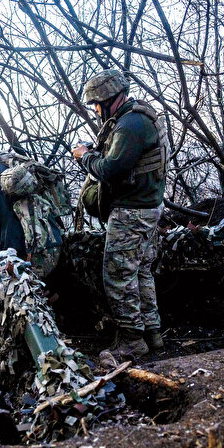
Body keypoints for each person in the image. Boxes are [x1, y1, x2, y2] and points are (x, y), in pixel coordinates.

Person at [72, 69, 170, 360]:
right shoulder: (138, 115)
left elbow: (110, 170)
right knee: (140, 272)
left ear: (110, 98)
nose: (96, 110)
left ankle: (131, 341)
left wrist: (85, 156)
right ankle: (152, 334)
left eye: (97, 104)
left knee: (118, 276)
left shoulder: (129, 125)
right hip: (147, 208)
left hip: (132, 212)